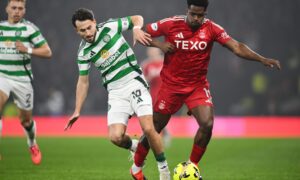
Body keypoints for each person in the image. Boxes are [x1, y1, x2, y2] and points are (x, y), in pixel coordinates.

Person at [133, 0, 281, 176]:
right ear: (187, 10)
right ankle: (136, 167)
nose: (196, 18)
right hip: (171, 86)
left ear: (205, 13)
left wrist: (262, 59)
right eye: (193, 14)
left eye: (200, 15)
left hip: (197, 86)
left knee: (207, 123)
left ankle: (191, 167)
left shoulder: (212, 28)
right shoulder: (170, 23)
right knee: (155, 128)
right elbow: (142, 34)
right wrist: (160, 45)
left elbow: (236, 47)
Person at [64, 8, 170, 180]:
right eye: (82, 30)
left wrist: (136, 29)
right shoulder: (83, 53)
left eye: (89, 27)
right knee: (115, 137)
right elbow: (83, 81)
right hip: (115, 92)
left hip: (134, 81)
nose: (87, 33)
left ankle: (164, 172)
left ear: (94, 22)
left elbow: (137, 17)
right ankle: (136, 147)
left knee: (149, 128)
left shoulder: (111, 27)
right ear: (77, 31)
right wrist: (77, 110)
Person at [0, 0, 52, 164]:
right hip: (2, 76)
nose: (16, 11)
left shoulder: (30, 28)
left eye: (20, 8)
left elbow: (48, 51)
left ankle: (32, 144)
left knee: (26, 121)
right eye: (13, 8)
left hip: (22, 80)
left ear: (24, 11)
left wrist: (27, 49)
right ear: (7, 8)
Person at [141, 47, 171, 147]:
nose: (152, 53)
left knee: (161, 114)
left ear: (158, 51)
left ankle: (163, 133)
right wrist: (149, 78)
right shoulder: (146, 64)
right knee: (152, 115)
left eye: (154, 51)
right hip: (152, 94)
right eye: (150, 51)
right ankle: (153, 134)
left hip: (165, 93)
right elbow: (142, 80)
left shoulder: (165, 61)